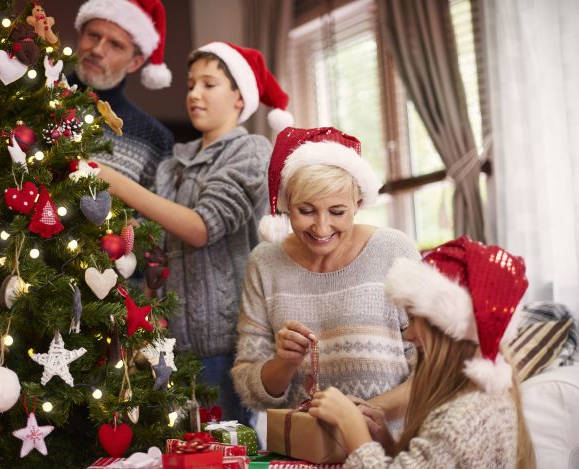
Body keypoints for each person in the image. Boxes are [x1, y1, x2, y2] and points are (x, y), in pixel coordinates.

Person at [96, 41, 293, 421]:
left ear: (239, 97)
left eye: (209, 84)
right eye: (190, 85)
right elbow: (157, 233)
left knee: (224, 449)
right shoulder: (171, 166)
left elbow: (202, 227)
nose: (194, 94)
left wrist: (116, 183)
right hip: (166, 344)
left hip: (226, 346)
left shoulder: (252, 151)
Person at [231, 127, 418, 423]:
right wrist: (284, 362)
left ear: (357, 203)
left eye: (337, 211)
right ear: (286, 204)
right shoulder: (265, 262)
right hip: (305, 455)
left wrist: (355, 417)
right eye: (306, 210)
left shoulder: (393, 251)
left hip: (389, 451)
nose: (321, 228)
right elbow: (249, 390)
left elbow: (434, 372)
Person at [308, 236, 536, 468]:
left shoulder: (461, 422)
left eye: (415, 319)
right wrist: (385, 442)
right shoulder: (479, 403)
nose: (408, 334)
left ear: (447, 327)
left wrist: (351, 425)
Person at [71, 0, 174, 188]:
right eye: (93, 35)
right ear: (80, 35)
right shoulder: (31, 94)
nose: (97, 50)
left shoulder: (154, 138)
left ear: (135, 63)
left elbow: (151, 217)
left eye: (116, 45)